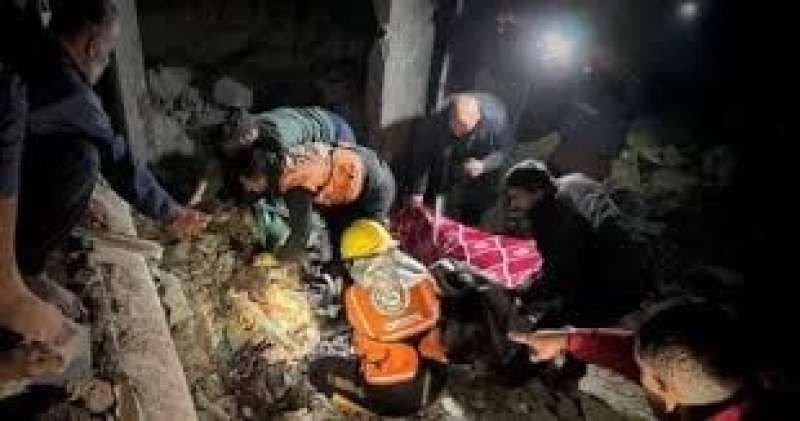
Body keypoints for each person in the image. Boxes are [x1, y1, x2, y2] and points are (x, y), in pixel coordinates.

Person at [1, 0, 207, 371]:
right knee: (84, 161)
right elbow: (120, 160)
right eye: (110, 51)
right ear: (93, 46)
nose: (109, 60)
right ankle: (30, 272)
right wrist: (172, 213)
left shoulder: (31, 43)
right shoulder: (71, 94)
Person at [510, 302, 753, 420]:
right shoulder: (725, 371)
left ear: (664, 390)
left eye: (641, 369)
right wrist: (567, 339)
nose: (633, 364)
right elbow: (643, 354)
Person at [238, 141, 395, 261]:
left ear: (260, 178)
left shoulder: (296, 186)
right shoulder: (284, 157)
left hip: (374, 190)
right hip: (362, 160)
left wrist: (277, 258)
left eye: (249, 185)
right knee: (333, 224)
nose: (249, 189)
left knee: (355, 249)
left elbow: (300, 236)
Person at [409, 92, 514, 225]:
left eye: (464, 128)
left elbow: (505, 152)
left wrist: (484, 165)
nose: (458, 133)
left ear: (478, 119)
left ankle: (468, 222)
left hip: (483, 157)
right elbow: (424, 155)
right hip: (453, 153)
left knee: (477, 201)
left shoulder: (496, 120)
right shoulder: (439, 117)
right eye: (455, 126)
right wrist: (417, 192)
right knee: (437, 180)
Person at [225, 106, 356, 152]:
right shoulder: (258, 119)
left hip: (337, 135)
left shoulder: (282, 137)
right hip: (326, 117)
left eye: (243, 137)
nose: (241, 142)